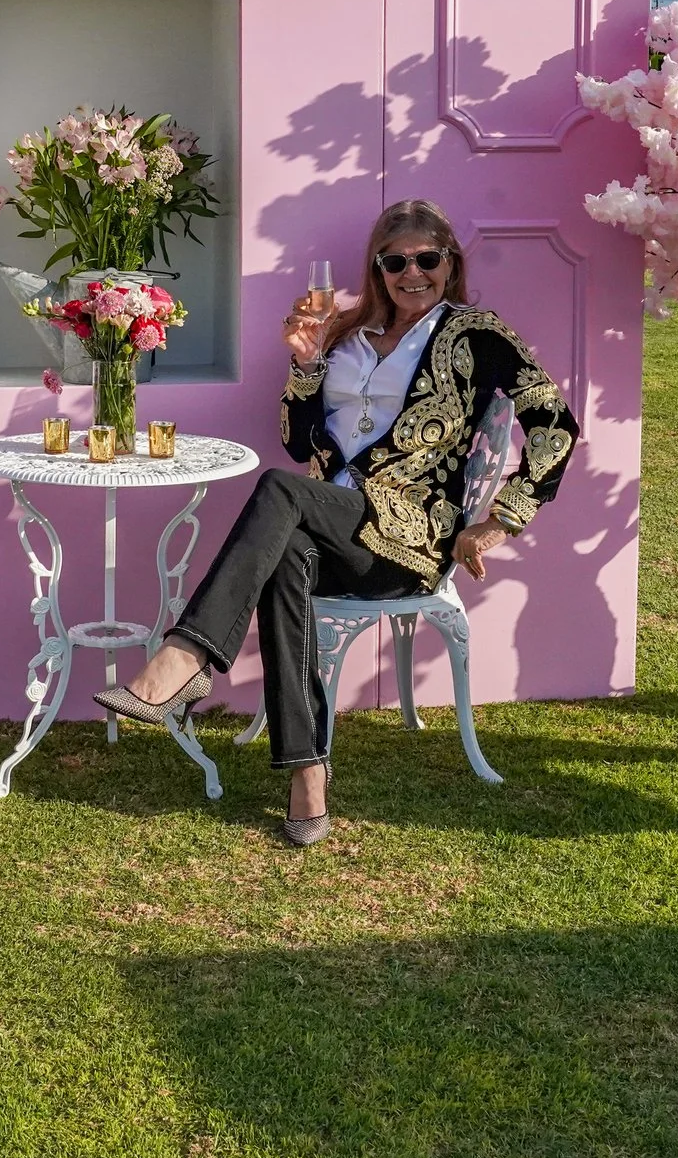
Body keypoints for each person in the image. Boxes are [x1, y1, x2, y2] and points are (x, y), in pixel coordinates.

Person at [94, 199, 579, 845]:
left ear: (450, 263)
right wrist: (305, 365)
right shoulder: (346, 332)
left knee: (280, 491)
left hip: (409, 539)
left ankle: (186, 654)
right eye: (395, 262)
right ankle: (307, 774)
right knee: (285, 545)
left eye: (427, 259)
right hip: (328, 526)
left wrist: (501, 522)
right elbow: (298, 442)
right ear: (377, 269)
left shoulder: (476, 333)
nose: (412, 273)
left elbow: (556, 423)